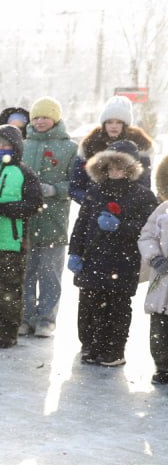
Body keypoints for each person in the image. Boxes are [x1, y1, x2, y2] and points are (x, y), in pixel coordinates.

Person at [68, 145, 157, 367]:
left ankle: (113, 350)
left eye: (120, 167)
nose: (115, 172)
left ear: (130, 169)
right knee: (89, 304)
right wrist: (75, 252)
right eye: (111, 168)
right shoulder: (95, 191)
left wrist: (121, 227)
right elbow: (81, 225)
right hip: (93, 259)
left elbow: (147, 229)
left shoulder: (143, 196)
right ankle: (89, 345)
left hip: (123, 261)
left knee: (117, 307)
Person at [0, 125, 43, 348]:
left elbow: (34, 204)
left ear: (15, 147)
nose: (0, 149)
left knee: (8, 291)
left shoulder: (24, 172)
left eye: (5, 145)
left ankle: (7, 333)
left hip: (11, 241)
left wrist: (5, 209)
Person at [20, 97, 78, 338]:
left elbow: (76, 183)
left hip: (54, 220)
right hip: (25, 221)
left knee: (50, 273)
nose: (40, 121)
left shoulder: (70, 147)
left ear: (55, 118)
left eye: (45, 117)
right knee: (25, 272)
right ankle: (25, 317)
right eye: (36, 117)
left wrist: (56, 189)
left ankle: (46, 318)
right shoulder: (22, 145)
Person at [69, 96, 154, 203]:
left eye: (119, 122)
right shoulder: (90, 144)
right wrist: (91, 202)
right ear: (104, 124)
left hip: (129, 210)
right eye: (109, 122)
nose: (114, 126)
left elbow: (144, 184)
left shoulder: (140, 144)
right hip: (95, 211)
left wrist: (126, 205)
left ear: (125, 124)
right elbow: (76, 186)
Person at [138, 157, 168, 384]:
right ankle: (162, 366)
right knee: (160, 327)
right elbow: (147, 235)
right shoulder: (163, 210)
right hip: (163, 279)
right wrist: (154, 256)